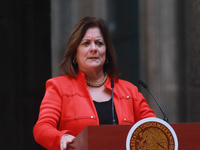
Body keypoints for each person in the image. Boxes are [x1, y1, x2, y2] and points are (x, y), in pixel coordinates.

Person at [33, 16, 156, 150]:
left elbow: (154, 128)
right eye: (86, 43)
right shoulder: (58, 87)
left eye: (99, 43)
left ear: (106, 53)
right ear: (75, 54)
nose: (94, 48)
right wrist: (61, 137)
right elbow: (42, 128)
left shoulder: (129, 91)